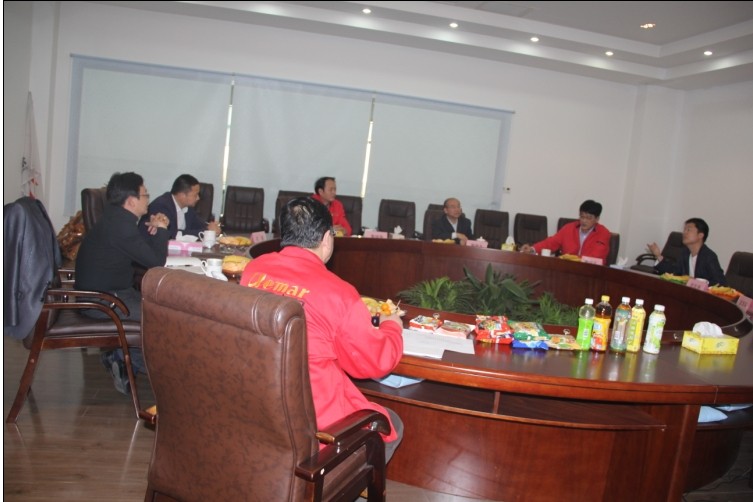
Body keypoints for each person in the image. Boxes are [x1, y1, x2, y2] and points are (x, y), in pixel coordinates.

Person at [239, 197, 404, 462]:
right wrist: (391, 326)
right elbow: (373, 362)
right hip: (315, 423)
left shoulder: (254, 269)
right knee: (391, 423)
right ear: (327, 238)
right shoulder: (339, 293)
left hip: (257, 401)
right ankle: (340, 480)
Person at [76, 172, 170, 394]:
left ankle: (121, 358)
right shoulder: (120, 226)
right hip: (102, 301)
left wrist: (154, 231)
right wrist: (162, 231)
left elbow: (139, 250)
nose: (148, 199)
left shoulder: (116, 219)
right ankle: (127, 360)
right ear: (131, 201)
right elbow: (156, 261)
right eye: (145, 195)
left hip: (112, 293)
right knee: (161, 317)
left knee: (161, 309)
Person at [519, 199, 611, 263]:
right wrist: (532, 249)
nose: (584, 221)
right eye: (582, 216)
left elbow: (596, 257)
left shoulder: (603, 233)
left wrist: (573, 259)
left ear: (597, 219)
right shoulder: (569, 228)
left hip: (592, 274)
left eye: (588, 218)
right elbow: (551, 242)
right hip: (568, 269)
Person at [648, 217, 727, 286]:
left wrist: (698, 282)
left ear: (700, 235)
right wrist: (658, 255)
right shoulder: (685, 253)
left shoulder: (709, 256)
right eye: (684, 230)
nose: (684, 233)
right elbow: (674, 272)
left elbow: (721, 283)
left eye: (688, 230)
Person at [140, 174, 220, 239]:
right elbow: (172, 233)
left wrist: (213, 228)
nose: (198, 198)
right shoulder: (162, 206)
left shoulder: (188, 208)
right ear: (182, 195)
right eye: (195, 195)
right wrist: (207, 232)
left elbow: (200, 225)